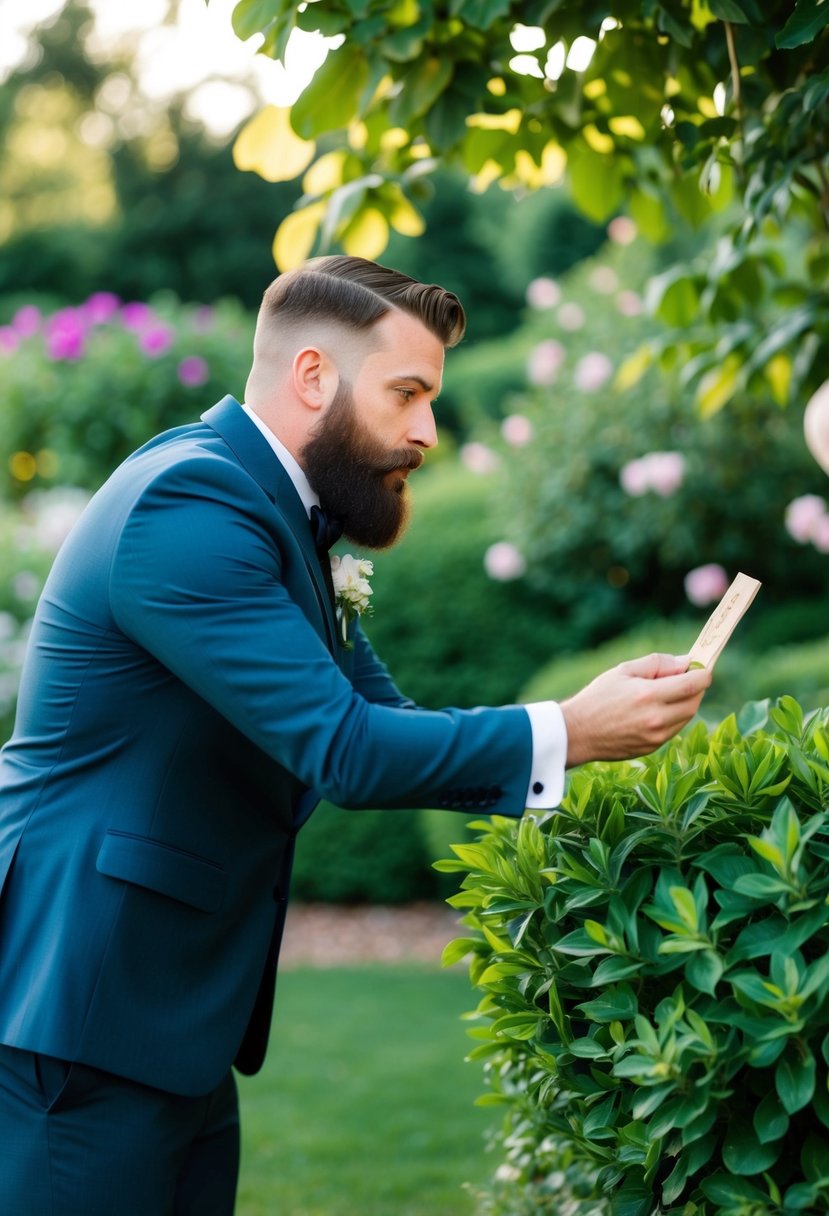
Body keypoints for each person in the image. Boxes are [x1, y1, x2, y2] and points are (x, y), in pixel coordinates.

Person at [0, 255, 711, 1214]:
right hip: (82, 1008)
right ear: (312, 376)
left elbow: (387, 726)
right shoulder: (191, 507)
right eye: (407, 393)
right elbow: (343, 751)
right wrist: (569, 732)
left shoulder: (280, 512)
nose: (426, 430)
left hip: (165, 1015)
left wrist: (582, 720)